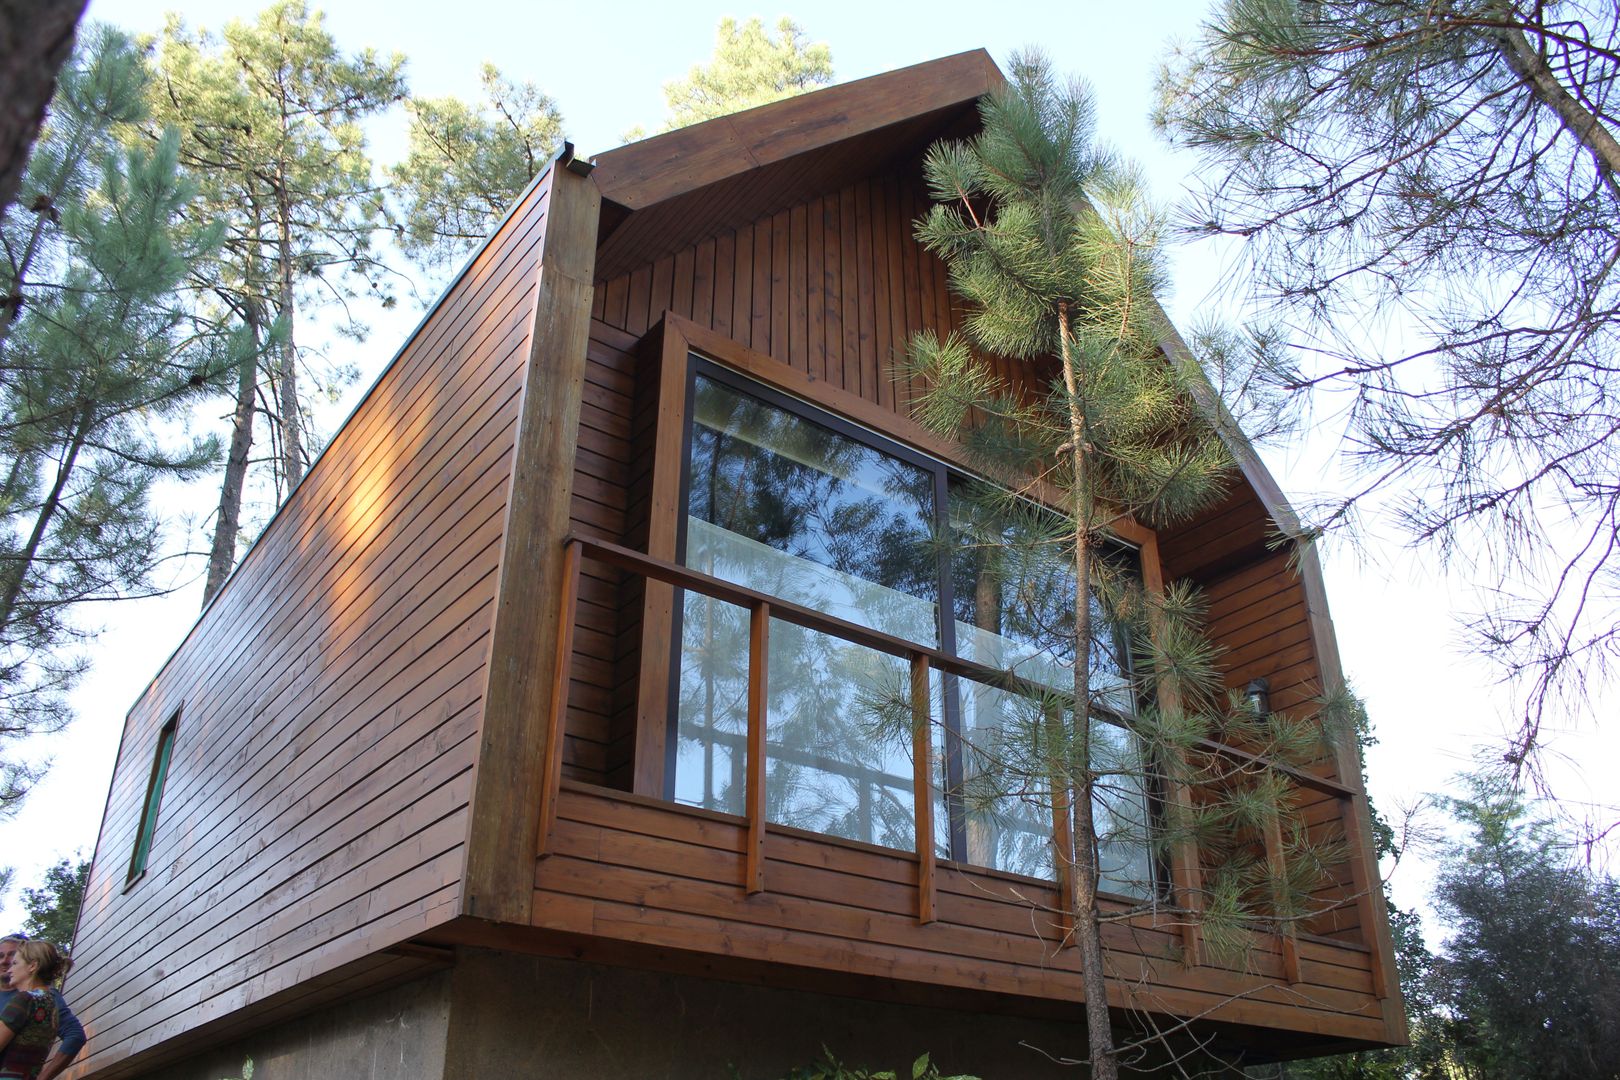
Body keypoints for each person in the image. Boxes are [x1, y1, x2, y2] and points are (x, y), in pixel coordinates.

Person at [0, 938, 79, 1080]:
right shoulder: (50, 1002)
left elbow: (76, 1035)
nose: (10, 969)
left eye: (15, 963)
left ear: (32, 966)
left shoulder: (24, 1000)